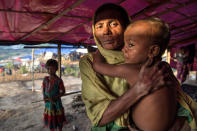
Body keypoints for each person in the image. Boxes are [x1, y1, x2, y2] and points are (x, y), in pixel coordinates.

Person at [79, 3, 197, 131]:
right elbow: (99, 118)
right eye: (99, 26)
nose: (106, 32)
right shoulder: (88, 62)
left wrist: (175, 124)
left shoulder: (150, 65)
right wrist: (139, 88)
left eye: (113, 24)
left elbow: (177, 99)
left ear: (126, 27)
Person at [42, 59, 67, 131]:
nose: (50, 70)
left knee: (58, 118)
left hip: (57, 103)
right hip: (48, 104)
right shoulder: (45, 79)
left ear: (56, 69)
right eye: (48, 68)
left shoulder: (59, 80)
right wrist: (44, 97)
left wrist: (55, 98)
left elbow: (63, 92)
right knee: (51, 119)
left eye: (52, 69)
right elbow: (43, 89)